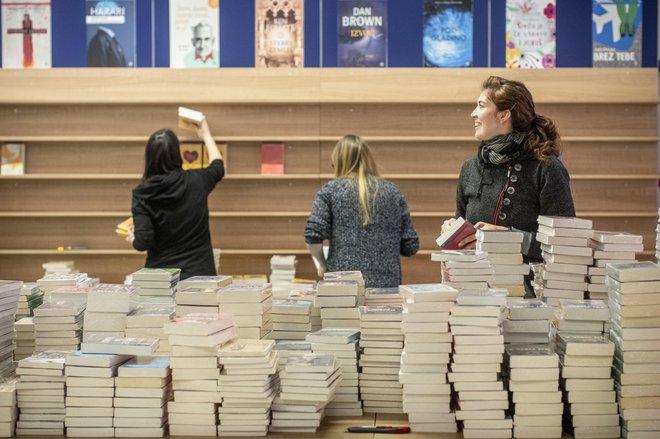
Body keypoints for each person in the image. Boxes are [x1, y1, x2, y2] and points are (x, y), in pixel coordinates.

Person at [442, 76, 575, 263]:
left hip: (528, 289)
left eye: (481, 105)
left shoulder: (546, 168)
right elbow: (465, 240)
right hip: (475, 286)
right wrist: (453, 232)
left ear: (504, 115)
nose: (473, 113)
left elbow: (565, 244)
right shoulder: (470, 168)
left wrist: (509, 237)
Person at [304, 134, 419, 288]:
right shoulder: (392, 192)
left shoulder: (330, 191)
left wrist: (323, 265)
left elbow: (312, 236)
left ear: (337, 163)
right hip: (386, 288)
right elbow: (411, 245)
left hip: (342, 286)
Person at [127, 118, 224, 280]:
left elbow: (142, 242)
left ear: (149, 158)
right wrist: (205, 134)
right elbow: (218, 167)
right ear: (177, 154)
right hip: (199, 276)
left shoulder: (142, 193)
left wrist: (133, 239)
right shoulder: (196, 181)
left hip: (161, 280)